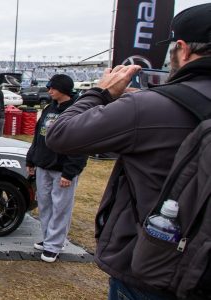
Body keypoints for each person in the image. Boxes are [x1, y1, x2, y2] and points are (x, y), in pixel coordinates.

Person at [45, 4, 211, 299]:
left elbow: (60, 134)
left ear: (183, 49)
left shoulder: (149, 107)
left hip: (153, 269)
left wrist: (101, 93)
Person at [26, 74, 87, 263]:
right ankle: (47, 239)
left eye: (53, 88)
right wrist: (31, 161)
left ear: (63, 89)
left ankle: (54, 246)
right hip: (43, 165)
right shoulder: (48, 109)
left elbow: (81, 144)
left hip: (62, 170)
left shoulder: (77, 111)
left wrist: (70, 171)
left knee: (61, 207)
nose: (49, 91)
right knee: (45, 204)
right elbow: (38, 136)